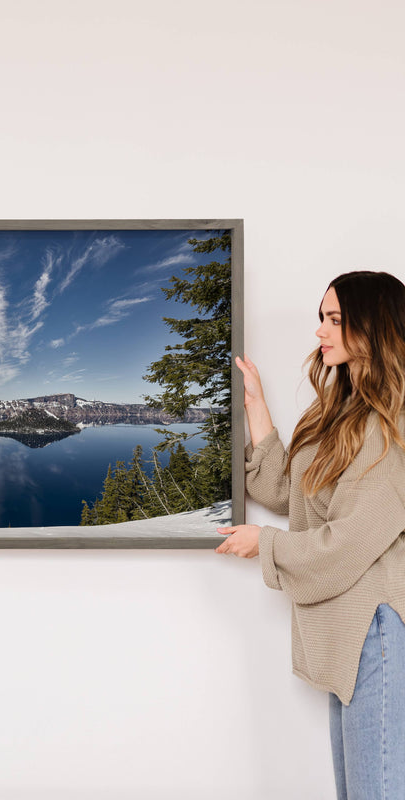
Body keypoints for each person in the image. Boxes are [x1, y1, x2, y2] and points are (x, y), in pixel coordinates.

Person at [216, 271, 405, 799]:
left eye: (336, 320)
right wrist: (255, 404)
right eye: (321, 318)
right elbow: (288, 491)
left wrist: (265, 545)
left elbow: (349, 542)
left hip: (378, 634)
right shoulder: (340, 411)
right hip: (349, 636)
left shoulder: (394, 425)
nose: (321, 332)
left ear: (373, 327)